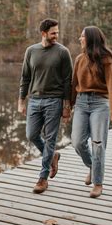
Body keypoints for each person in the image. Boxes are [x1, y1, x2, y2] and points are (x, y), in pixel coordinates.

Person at [18, 18, 73, 194]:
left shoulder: (63, 52)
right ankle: (53, 157)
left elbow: (67, 82)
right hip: (34, 100)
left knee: (50, 139)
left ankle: (43, 178)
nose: (56, 35)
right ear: (43, 33)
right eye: (53, 33)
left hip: (54, 101)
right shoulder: (31, 51)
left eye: (57, 32)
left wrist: (67, 105)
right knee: (31, 134)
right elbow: (25, 77)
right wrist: (21, 100)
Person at [70, 26, 112, 198]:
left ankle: (98, 183)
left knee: (98, 144)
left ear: (90, 39)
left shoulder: (106, 59)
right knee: (77, 142)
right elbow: (73, 84)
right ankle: (92, 166)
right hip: (81, 102)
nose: (80, 39)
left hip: (100, 103)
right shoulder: (79, 59)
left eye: (82, 36)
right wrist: (67, 106)